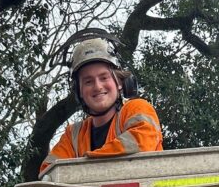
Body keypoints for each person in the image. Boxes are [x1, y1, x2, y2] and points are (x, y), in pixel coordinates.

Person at [39, 34, 163, 175]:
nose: (97, 86)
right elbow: (49, 171)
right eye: (88, 81)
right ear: (79, 92)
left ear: (120, 83)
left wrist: (85, 164)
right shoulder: (73, 135)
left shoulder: (137, 108)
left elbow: (141, 144)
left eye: (104, 77)